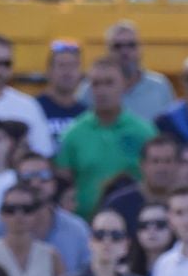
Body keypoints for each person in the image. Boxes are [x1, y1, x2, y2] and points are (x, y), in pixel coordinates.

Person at [56, 58, 158, 218]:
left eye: (109, 83)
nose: (102, 90)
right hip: (87, 226)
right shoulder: (73, 134)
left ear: (125, 84)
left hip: (134, 224)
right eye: (96, 84)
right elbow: (63, 184)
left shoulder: (144, 132)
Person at [106, 21, 175, 121]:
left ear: (141, 49)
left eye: (131, 45)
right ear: (108, 51)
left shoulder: (160, 86)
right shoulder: (93, 88)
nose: (125, 51)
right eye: (118, 46)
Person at [33, 40, 88, 151]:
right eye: (62, 65)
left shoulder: (86, 114)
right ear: (49, 72)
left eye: (73, 66)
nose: (67, 72)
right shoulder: (34, 108)